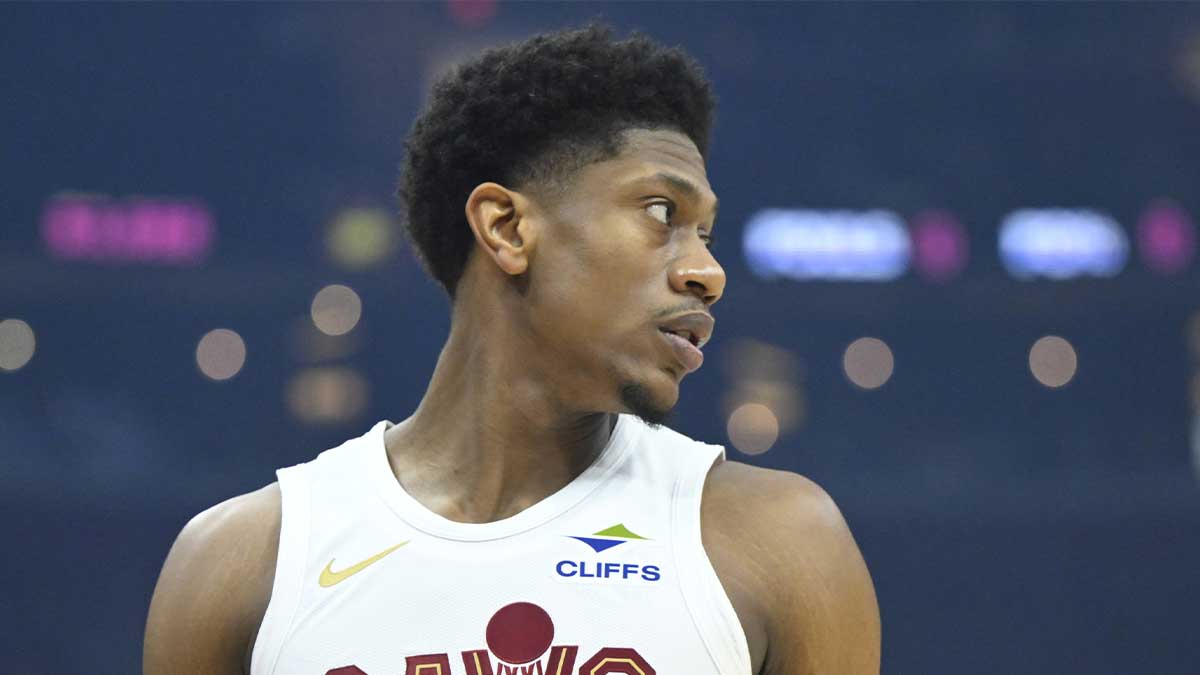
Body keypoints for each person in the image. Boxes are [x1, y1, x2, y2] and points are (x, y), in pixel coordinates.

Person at [144, 22, 880, 675]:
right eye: (662, 212)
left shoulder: (783, 543)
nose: (707, 272)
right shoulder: (241, 561)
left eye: (706, 234)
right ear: (506, 227)